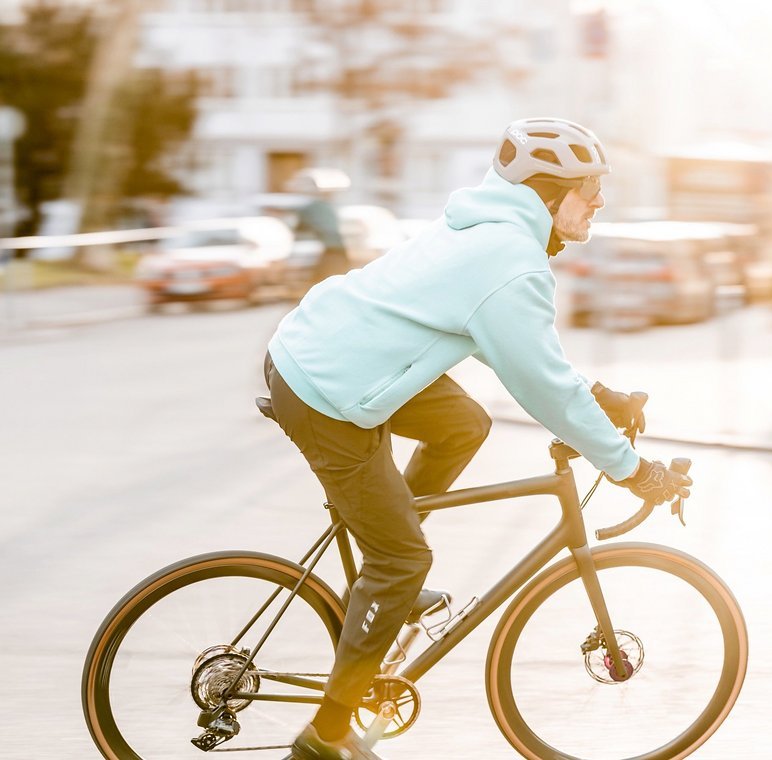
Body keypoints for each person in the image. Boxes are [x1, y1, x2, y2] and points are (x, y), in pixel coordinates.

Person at [263, 117, 693, 760]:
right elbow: (545, 389)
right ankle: (326, 735)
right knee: (402, 560)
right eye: (590, 188)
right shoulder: (509, 260)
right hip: (328, 390)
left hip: (337, 348)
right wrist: (634, 471)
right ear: (549, 195)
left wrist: (596, 399)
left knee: (466, 424)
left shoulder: (491, 231)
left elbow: (524, 355)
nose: (600, 200)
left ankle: (382, 584)